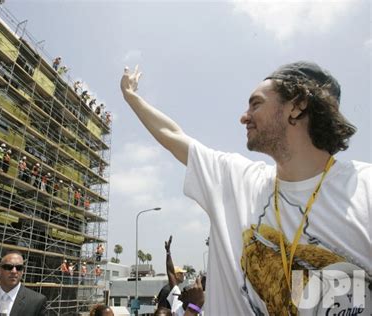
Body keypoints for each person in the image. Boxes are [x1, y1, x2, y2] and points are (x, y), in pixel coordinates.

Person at [120, 62, 371, 315]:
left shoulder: (366, 188)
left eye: (256, 104)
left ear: (297, 105)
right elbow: (172, 134)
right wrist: (131, 97)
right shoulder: (235, 180)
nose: (244, 116)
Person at [157, 236, 186, 310]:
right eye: (181, 273)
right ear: (175, 275)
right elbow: (162, 309)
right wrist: (168, 252)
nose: (183, 275)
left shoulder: (175, 289)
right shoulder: (167, 290)